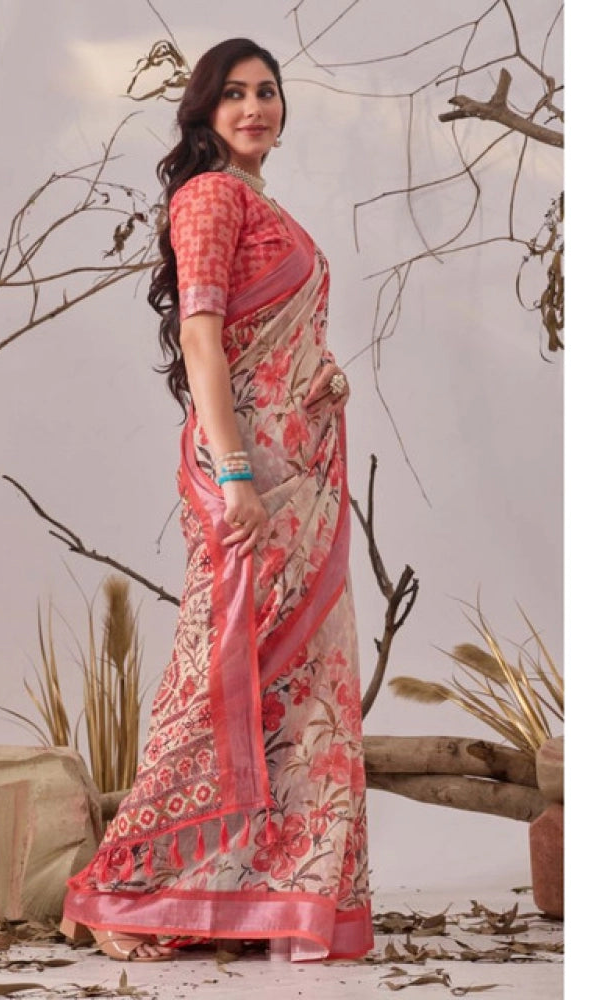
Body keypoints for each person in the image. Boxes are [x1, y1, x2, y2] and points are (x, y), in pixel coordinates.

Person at [61, 37, 372, 963]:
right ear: (204, 110)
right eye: (234, 94)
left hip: (298, 469)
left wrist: (320, 379)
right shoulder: (207, 197)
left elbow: (265, 334)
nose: (254, 108)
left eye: (267, 92)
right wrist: (235, 471)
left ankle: (271, 897)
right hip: (252, 472)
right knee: (221, 676)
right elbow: (203, 338)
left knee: (301, 684)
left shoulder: (262, 202)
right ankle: (124, 890)